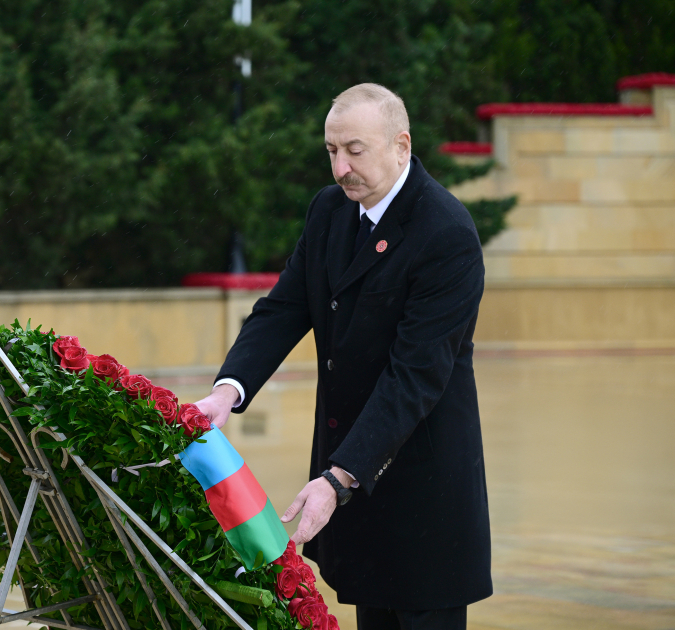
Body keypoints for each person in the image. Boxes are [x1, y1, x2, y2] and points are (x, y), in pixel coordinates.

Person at [193, 83, 492, 630]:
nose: (341, 166)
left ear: (401, 146)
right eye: (332, 150)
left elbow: (414, 377)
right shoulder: (331, 210)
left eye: (356, 149)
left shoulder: (446, 232)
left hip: (422, 492)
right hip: (351, 481)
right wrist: (227, 391)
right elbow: (284, 307)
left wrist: (338, 479)